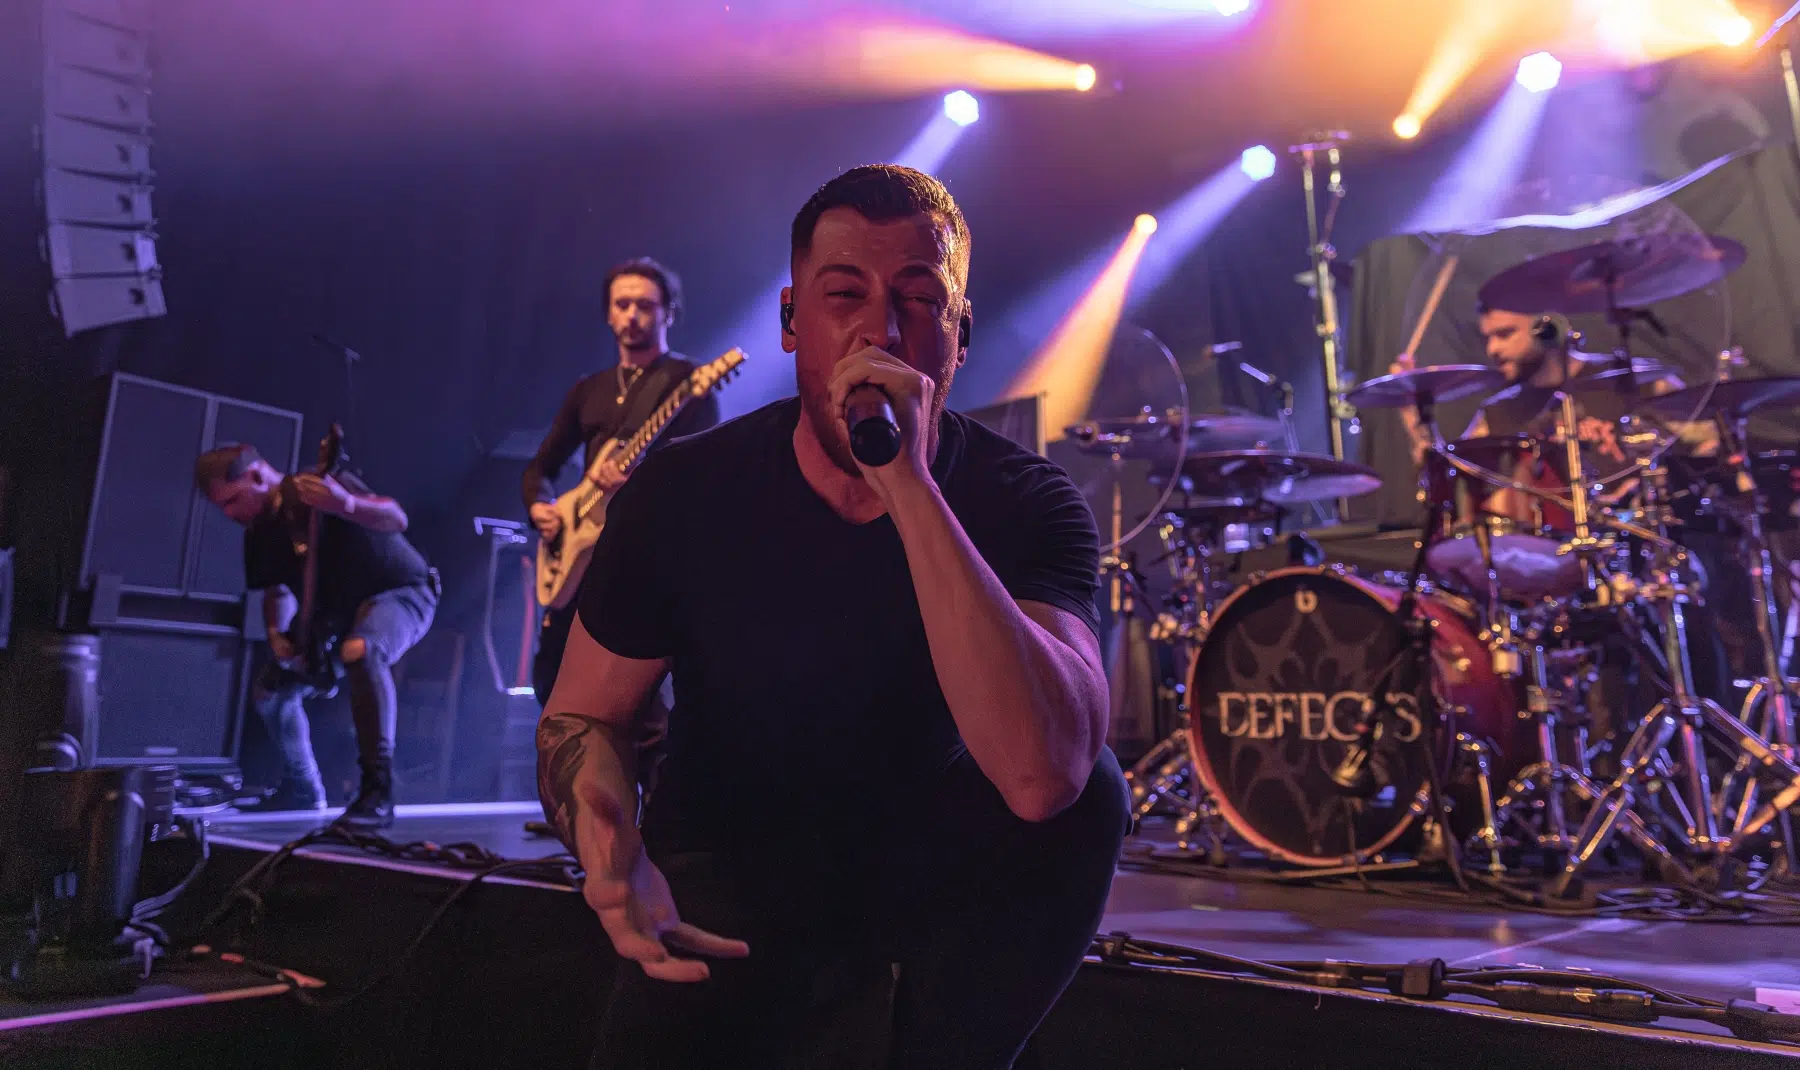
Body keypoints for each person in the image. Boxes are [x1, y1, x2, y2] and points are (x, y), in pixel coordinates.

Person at [538, 164, 1128, 1068]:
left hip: (932, 887)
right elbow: (581, 716)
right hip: (730, 875)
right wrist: (601, 826)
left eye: (919, 300)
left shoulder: (1027, 502)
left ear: (961, 335)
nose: (880, 330)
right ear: (790, 322)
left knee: (1097, 791)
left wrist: (910, 487)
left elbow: (1047, 776)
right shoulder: (687, 491)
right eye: (844, 294)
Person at [197, 443, 438, 827]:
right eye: (221, 507)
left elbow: (396, 518)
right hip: (335, 616)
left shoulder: (319, 484)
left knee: (362, 649)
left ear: (256, 476)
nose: (229, 514)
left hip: (401, 594)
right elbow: (278, 591)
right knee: (270, 693)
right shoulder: (258, 534)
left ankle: (378, 789)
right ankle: (302, 787)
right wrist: (277, 634)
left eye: (232, 500)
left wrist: (345, 504)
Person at [522, 258, 719, 704]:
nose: (632, 315)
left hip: (646, 559)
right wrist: (540, 507)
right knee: (554, 688)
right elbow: (540, 468)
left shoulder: (688, 384)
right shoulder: (588, 389)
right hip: (580, 556)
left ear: (669, 313)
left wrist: (641, 481)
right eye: (622, 304)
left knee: (640, 707)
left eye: (645, 305)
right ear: (608, 313)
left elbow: (704, 481)